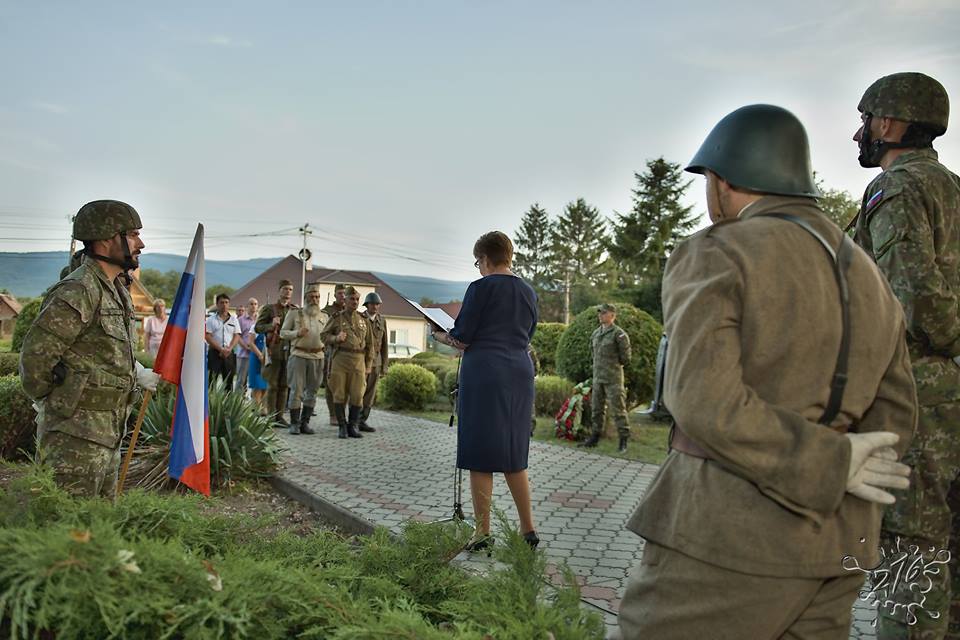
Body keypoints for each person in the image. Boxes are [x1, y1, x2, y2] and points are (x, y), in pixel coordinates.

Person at [618, 104, 918, 639]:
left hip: (728, 537)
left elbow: (703, 401)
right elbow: (896, 417)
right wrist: (845, 464)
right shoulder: (869, 274)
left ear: (723, 179)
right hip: (839, 547)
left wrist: (829, 462)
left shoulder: (718, 251)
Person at [849, 72, 960, 639]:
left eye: (866, 120)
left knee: (910, 554)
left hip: (918, 399)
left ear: (889, 123)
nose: (859, 134)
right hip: (950, 396)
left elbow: (916, 298)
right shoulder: (954, 188)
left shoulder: (896, 189)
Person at [19, 200, 159, 497]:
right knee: (67, 521)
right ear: (106, 238)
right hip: (74, 438)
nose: (141, 244)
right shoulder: (78, 290)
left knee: (98, 524)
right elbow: (35, 361)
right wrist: (60, 403)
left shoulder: (117, 290)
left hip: (108, 434)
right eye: (132, 235)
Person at [433, 231, 540, 552]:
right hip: (519, 371)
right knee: (513, 453)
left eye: (478, 262)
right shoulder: (528, 290)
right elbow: (528, 333)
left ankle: (482, 534)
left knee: (479, 454)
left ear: (486, 259)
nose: (478, 268)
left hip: (485, 372)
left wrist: (439, 335)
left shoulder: (481, 287)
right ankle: (528, 530)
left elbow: (462, 337)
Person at [321, 286, 374, 439]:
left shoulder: (363, 320)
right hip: (341, 359)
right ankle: (342, 426)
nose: (355, 302)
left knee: (357, 394)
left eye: (357, 299)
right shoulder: (337, 318)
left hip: (358, 361)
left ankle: (353, 426)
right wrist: (335, 338)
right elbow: (323, 336)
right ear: (345, 300)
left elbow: (370, 344)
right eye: (352, 299)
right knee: (339, 394)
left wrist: (368, 364)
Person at [579, 303, 631, 453]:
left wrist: (612, 366)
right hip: (598, 377)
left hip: (613, 378)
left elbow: (626, 358)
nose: (600, 315)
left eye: (604, 313)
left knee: (618, 410)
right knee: (597, 409)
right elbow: (593, 353)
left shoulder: (619, 334)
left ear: (612, 316)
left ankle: (623, 439)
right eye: (600, 313)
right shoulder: (596, 333)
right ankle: (595, 437)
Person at [280, 283, 329, 435]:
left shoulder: (324, 316)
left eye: (317, 297)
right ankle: (294, 423)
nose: (315, 300)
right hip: (299, 355)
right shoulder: (295, 313)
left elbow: (328, 336)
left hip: (318, 356)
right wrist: (296, 333)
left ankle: (305, 423)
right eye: (312, 296)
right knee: (297, 390)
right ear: (306, 297)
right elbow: (283, 333)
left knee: (313, 391)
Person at [255, 279, 298, 426]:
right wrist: (271, 325)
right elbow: (258, 327)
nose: (288, 292)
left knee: (284, 384)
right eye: (285, 289)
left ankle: (280, 416)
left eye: (290, 289)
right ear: (279, 291)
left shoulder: (294, 310)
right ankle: (271, 417)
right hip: (274, 349)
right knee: (272, 385)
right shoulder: (269, 309)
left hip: (290, 351)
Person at [359, 291, 389, 433]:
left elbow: (385, 345)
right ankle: (353, 420)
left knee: (370, 393)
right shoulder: (359, 318)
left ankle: (362, 420)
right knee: (358, 391)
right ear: (367, 305)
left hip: (376, 362)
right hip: (361, 360)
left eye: (377, 304)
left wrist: (384, 366)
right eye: (372, 304)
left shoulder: (382, 321)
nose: (375, 307)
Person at [321, 283, 347, 425]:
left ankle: (341, 414)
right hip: (331, 351)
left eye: (344, 293)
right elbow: (323, 333)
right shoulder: (327, 311)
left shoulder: (350, 311)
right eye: (340, 293)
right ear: (335, 294)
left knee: (345, 385)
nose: (342, 296)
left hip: (346, 353)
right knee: (331, 384)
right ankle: (333, 415)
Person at [205, 292, 241, 388]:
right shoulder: (211, 320)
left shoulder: (234, 320)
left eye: (226, 302)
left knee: (229, 381)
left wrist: (229, 348)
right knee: (212, 381)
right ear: (217, 304)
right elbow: (207, 336)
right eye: (221, 303)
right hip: (214, 353)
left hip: (229, 353)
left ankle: (228, 398)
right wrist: (221, 349)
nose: (224, 305)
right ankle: (211, 397)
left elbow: (237, 335)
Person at [234, 298, 259, 396]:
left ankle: (254, 401)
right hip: (244, 354)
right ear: (247, 306)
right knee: (241, 380)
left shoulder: (259, 319)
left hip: (257, 354)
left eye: (255, 304)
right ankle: (238, 400)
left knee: (255, 380)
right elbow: (237, 336)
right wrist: (245, 346)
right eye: (251, 304)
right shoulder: (241, 320)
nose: (253, 306)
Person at [247, 329, 268, 413]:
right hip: (256, 357)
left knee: (266, 383)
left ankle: (264, 406)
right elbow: (251, 343)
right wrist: (260, 355)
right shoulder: (254, 327)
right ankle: (257, 407)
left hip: (267, 357)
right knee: (257, 384)